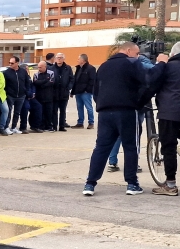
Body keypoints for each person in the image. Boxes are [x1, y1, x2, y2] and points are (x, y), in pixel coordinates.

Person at [82, 42, 147, 196]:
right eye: (137, 53)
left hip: (105, 112)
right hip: (126, 111)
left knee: (101, 148)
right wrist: (138, 103)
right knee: (131, 147)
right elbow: (145, 84)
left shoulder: (103, 66)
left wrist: (103, 104)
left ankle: (90, 184)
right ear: (129, 51)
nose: (138, 56)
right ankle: (132, 184)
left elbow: (96, 91)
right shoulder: (132, 64)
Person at [145, 40, 180, 195]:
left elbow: (152, 82)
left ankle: (170, 184)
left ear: (174, 54)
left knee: (168, 147)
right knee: (177, 127)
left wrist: (160, 64)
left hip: (170, 109)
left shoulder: (169, 67)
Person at [3, 56, 29, 134]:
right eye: (9, 63)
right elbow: (4, 84)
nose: (10, 64)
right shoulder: (6, 72)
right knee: (9, 112)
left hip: (21, 95)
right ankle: (6, 127)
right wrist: (7, 93)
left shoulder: (23, 71)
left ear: (17, 63)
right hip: (10, 95)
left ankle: (14, 127)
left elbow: (27, 81)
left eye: (12, 63)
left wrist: (25, 91)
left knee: (17, 112)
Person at [72, 54, 97, 129]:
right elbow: (75, 80)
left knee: (88, 107)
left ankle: (91, 122)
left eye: (78, 59)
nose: (77, 60)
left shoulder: (91, 68)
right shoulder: (78, 68)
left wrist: (87, 89)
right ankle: (80, 123)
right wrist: (73, 91)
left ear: (83, 60)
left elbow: (92, 80)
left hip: (86, 92)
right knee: (79, 107)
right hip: (78, 91)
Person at [51, 53, 74, 130]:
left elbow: (71, 79)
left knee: (63, 110)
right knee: (54, 110)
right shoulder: (51, 68)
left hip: (64, 92)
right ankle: (54, 126)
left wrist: (68, 87)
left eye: (61, 58)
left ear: (64, 59)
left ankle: (62, 126)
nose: (59, 59)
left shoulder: (68, 68)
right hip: (55, 92)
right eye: (57, 58)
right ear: (55, 59)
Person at [33, 60, 56, 131]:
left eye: (40, 67)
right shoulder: (36, 74)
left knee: (49, 112)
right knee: (41, 112)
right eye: (38, 67)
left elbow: (51, 82)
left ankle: (49, 126)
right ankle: (41, 126)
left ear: (45, 67)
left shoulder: (51, 73)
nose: (39, 69)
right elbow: (35, 82)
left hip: (49, 96)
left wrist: (42, 84)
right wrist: (45, 81)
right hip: (39, 97)